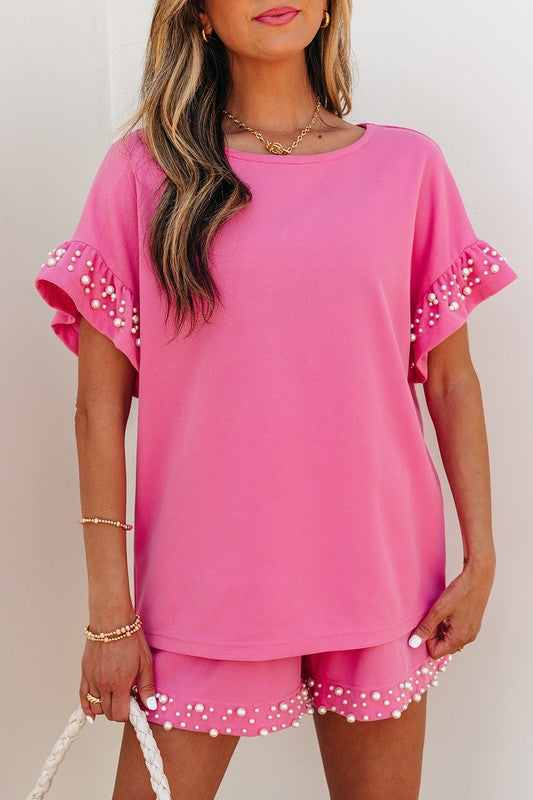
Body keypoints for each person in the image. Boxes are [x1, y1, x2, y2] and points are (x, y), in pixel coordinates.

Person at [33, 2, 518, 798]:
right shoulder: (144, 174)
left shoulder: (407, 168)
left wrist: (482, 557)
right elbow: (97, 411)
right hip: (206, 584)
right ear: (198, 15)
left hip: (379, 571)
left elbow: (450, 379)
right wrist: (109, 614)